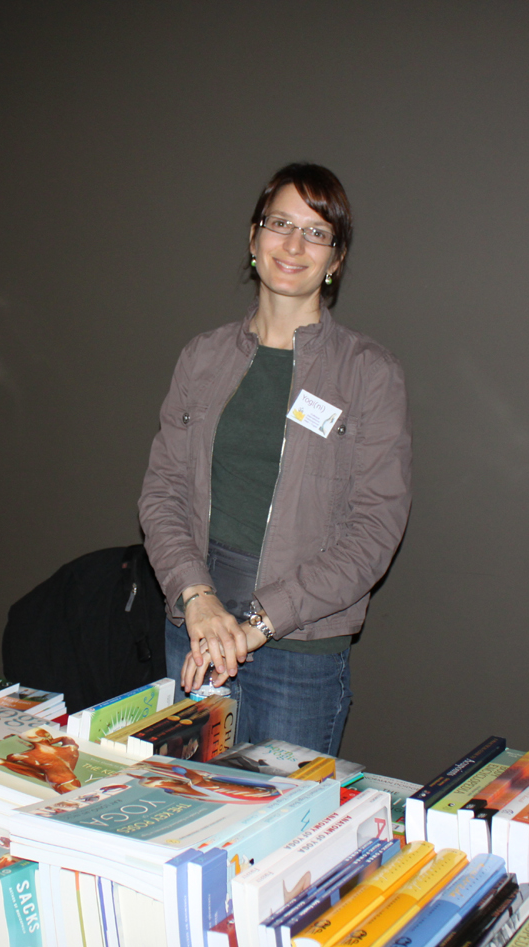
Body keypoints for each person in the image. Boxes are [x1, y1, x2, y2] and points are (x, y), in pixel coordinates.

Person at [138, 162, 412, 757]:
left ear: (336, 259)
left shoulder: (367, 373)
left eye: (317, 232)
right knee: (189, 813)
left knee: (288, 836)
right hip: (198, 632)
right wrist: (197, 599)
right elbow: (162, 495)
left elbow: (374, 531)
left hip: (299, 653)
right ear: (254, 238)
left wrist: (258, 624)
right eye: (281, 223)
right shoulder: (202, 358)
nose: (294, 244)